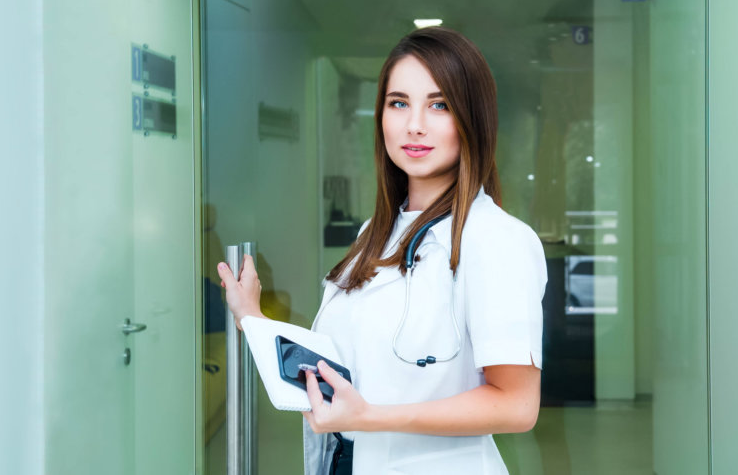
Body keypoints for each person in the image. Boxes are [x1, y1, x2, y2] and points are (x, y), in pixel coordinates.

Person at [215, 27, 546, 474]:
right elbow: (342, 367)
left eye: (439, 105)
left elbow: (516, 406)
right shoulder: (378, 231)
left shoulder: (496, 239)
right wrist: (253, 320)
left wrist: (371, 419)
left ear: (472, 118)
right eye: (399, 103)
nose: (415, 124)